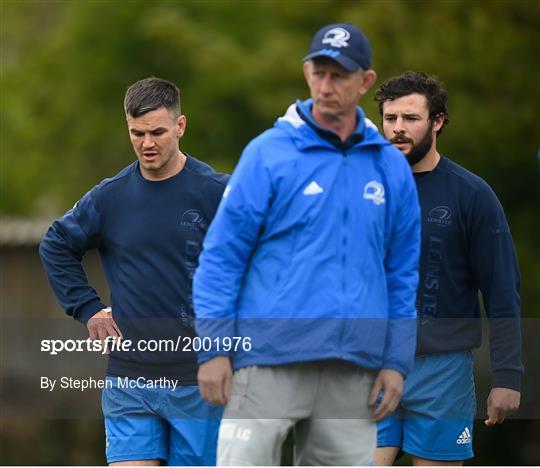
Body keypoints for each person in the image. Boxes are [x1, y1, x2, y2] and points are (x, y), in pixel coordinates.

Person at [193, 23, 421, 466]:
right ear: (306, 73)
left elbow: (402, 271)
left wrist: (396, 363)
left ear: (366, 81)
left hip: (354, 367)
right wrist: (214, 348)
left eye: (339, 75)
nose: (326, 85)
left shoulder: (390, 168)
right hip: (268, 358)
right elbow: (221, 257)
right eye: (319, 73)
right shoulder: (267, 153)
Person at [39, 77, 228, 466]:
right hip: (129, 379)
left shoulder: (216, 193)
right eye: (137, 133)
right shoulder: (110, 197)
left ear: (180, 126)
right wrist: (87, 307)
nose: (147, 143)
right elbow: (55, 244)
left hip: (199, 380)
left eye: (157, 131)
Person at [373, 71, 523, 465]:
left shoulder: (472, 194)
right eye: (390, 119)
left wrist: (508, 376)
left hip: (443, 371)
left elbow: (502, 289)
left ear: (437, 121)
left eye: (411, 118)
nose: (398, 129)